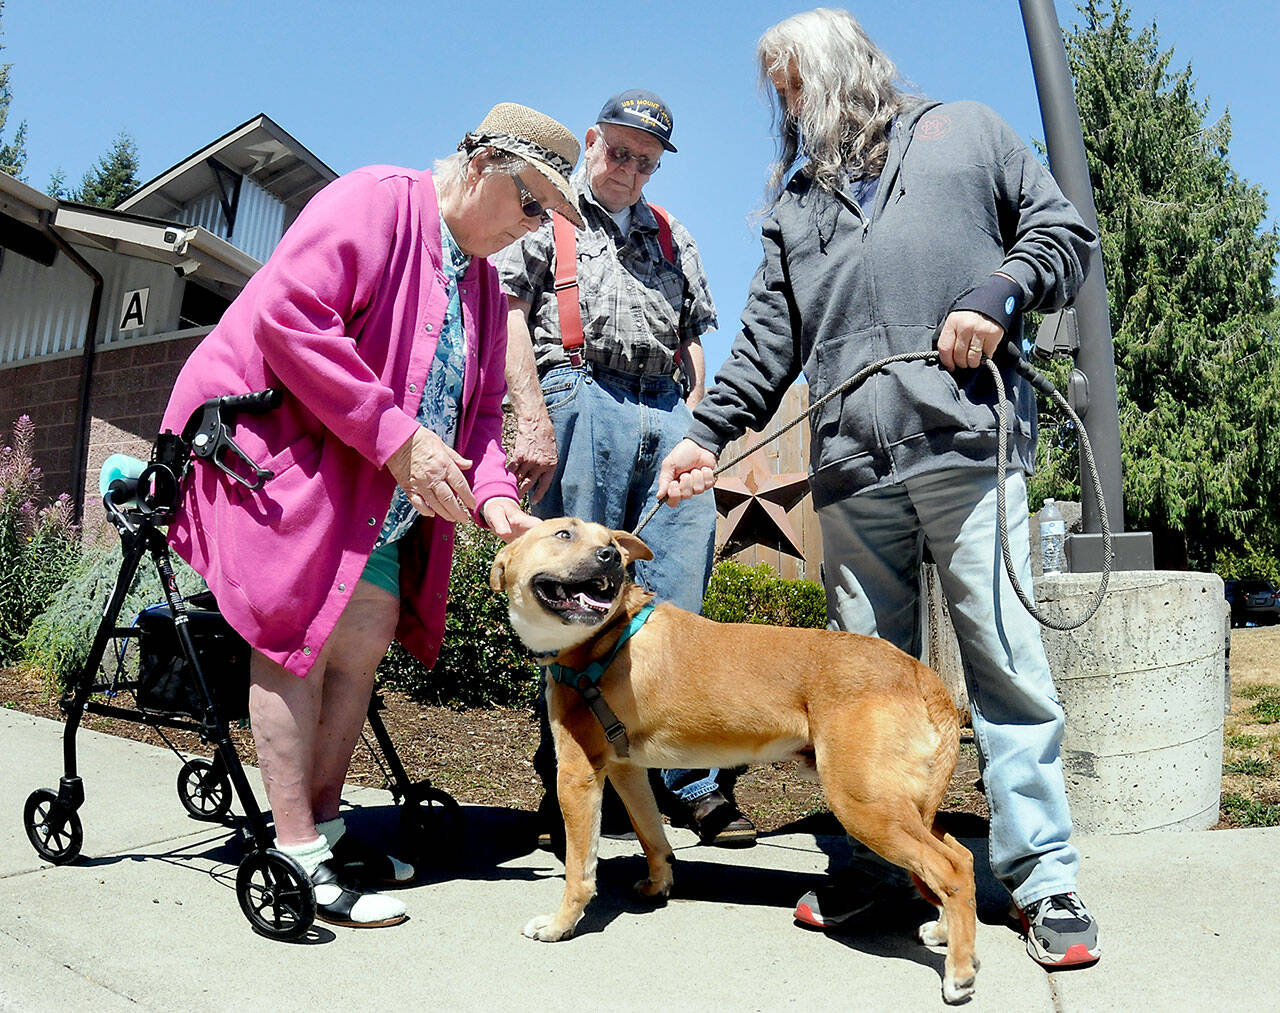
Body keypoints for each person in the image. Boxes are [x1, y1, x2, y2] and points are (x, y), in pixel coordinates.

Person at [658, 9, 1102, 968]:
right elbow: (765, 345)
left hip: (968, 444)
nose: (784, 109)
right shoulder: (796, 203)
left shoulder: (967, 133)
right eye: (777, 94)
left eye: (793, 86)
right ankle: (880, 867)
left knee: (1004, 667)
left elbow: (1064, 232)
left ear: (843, 71)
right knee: (865, 688)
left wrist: (997, 294)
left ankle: (1043, 875)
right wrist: (704, 436)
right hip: (853, 467)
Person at [160, 103, 582, 928]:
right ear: (487, 161)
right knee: (298, 639)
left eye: (549, 220)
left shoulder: (488, 290)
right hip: (277, 461)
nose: (534, 229)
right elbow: (290, 316)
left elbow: (481, 414)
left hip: (379, 494)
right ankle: (293, 847)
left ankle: (322, 826)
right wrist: (396, 439)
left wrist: (495, 496)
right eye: (532, 204)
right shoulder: (376, 201)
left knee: (362, 639)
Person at [493, 90, 756, 848]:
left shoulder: (674, 236)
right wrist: (532, 412)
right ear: (591, 141)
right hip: (580, 395)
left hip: (665, 410)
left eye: (645, 160)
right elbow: (509, 308)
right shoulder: (548, 212)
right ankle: (566, 783)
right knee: (570, 604)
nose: (629, 169)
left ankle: (692, 783)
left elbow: (694, 335)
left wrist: (698, 417)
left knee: (675, 598)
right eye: (618, 151)